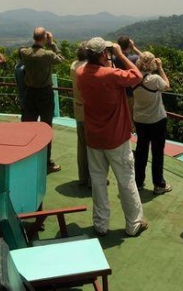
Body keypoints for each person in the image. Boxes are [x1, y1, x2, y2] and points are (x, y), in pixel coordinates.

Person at [77, 37, 148, 237]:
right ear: (102, 54)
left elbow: (95, 70)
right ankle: (133, 223)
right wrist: (119, 54)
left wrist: (108, 57)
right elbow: (137, 76)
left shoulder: (81, 73)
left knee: (98, 182)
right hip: (116, 138)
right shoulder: (110, 75)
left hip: (94, 138)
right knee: (126, 180)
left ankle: (100, 225)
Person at [18, 27, 66, 173]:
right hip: (44, 94)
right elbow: (61, 59)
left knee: (27, 128)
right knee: (46, 128)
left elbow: (20, 51)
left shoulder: (24, 53)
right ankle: (46, 163)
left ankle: (26, 158)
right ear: (44, 38)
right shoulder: (47, 54)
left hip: (29, 93)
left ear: (33, 37)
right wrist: (52, 43)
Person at [132, 52, 172, 195]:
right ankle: (159, 184)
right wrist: (161, 68)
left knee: (141, 150)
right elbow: (167, 86)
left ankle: (138, 182)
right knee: (157, 152)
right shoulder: (155, 79)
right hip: (157, 119)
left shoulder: (134, 77)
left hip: (140, 119)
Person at [70, 43, 90, 186]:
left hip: (78, 109)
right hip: (90, 111)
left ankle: (83, 177)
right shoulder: (88, 68)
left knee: (81, 145)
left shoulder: (73, 66)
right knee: (93, 148)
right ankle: (93, 179)